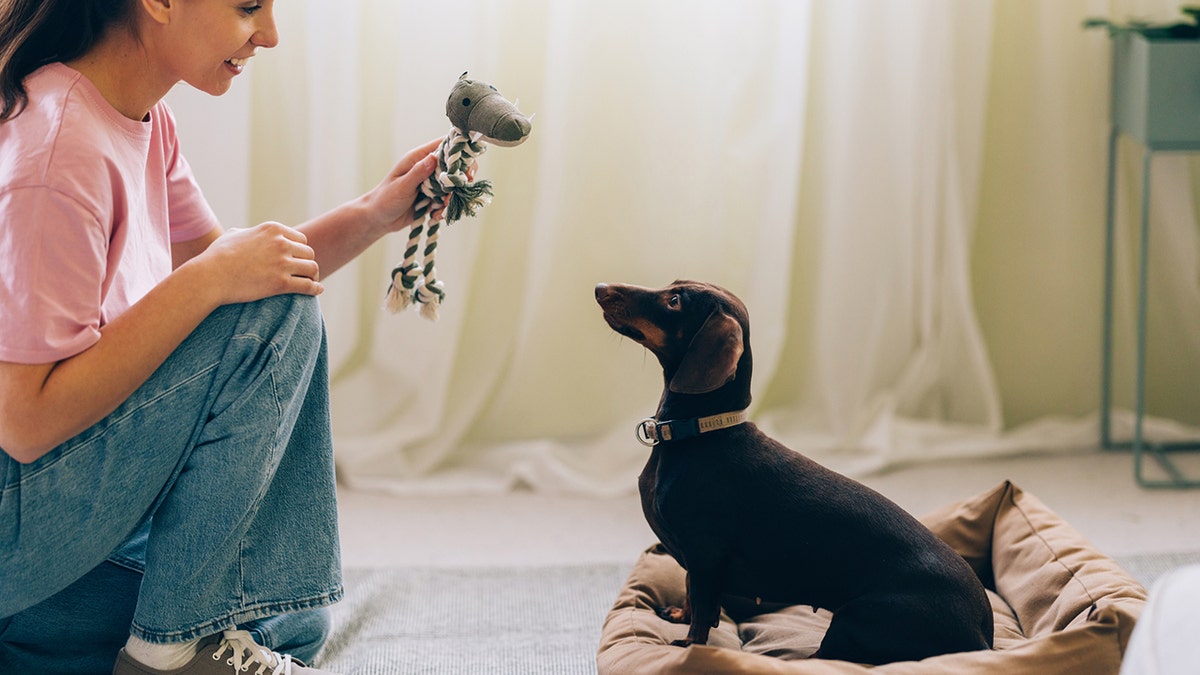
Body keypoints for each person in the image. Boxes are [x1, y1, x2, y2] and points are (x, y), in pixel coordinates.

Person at [0, 1, 446, 673]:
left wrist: (375, 213)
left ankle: (74, 645)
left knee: (291, 614)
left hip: (69, 536)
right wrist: (206, 280)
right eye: (247, 7)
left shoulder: (144, 119)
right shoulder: (57, 152)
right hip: (20, 536)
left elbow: (244, 286)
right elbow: (23, 421)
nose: (268, 34)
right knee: (279, 319)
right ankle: (165, 651)